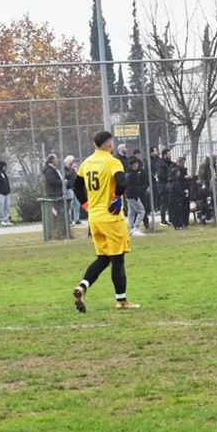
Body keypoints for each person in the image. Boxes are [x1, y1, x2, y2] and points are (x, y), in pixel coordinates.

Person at [71, 131, 140, 312]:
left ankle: (81, 287)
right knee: (118, 259)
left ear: (95, 145)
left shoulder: (86, 163)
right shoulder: (112, 162)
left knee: (103, 259)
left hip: (94, 218)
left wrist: (87, 205)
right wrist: (116, 197)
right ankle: (122, 301)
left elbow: (76, 186)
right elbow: (122, 183)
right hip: (111, 218)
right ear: (110, 144)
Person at [124, 156, 149, 236]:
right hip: (133, 196)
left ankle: (131, 228)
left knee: (131, 212)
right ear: (134, 164)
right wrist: (136, 194)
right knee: (141, 211)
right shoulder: (133, 175)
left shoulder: (127, 173)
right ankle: (136, 228)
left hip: (127, 195)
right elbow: (133, 187)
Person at [0, 161, 12, 226]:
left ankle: (7, 219)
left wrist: (8, 190)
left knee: (7, 207)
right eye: (4, 166)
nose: (5, 168)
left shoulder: (5, 175)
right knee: (0, 207)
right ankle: (1, 220)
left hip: (6, 193)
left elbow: (7, 183)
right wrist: (0, 190)